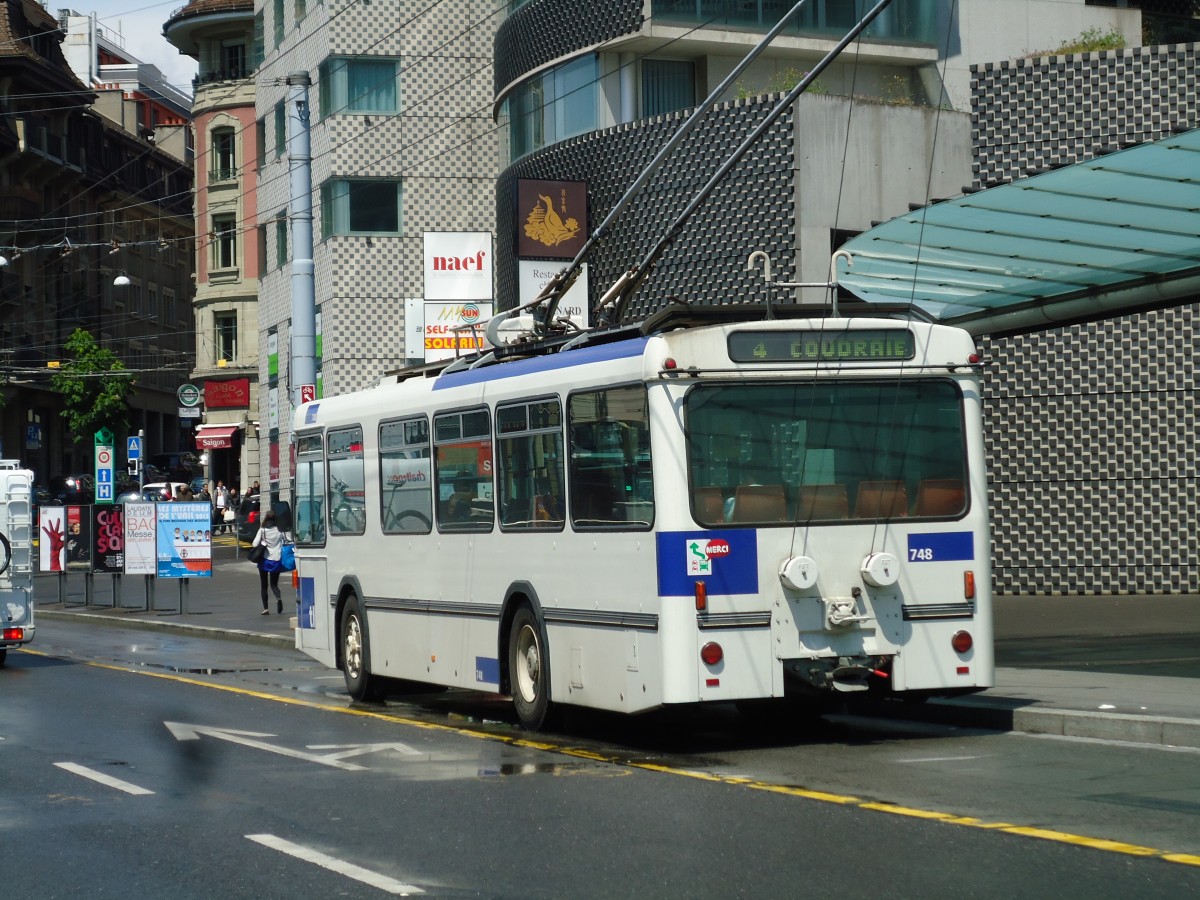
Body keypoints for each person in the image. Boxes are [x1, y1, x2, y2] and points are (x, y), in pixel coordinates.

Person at [251, 509, 291, 615]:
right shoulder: (279, 530)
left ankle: (266, 609)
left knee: (264, 585)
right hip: (277, 559)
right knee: (274, 584)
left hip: (264, 560)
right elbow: (289, 539)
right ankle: (278, 599)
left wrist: (263, 542)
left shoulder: (262, 530)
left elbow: (254, 544)